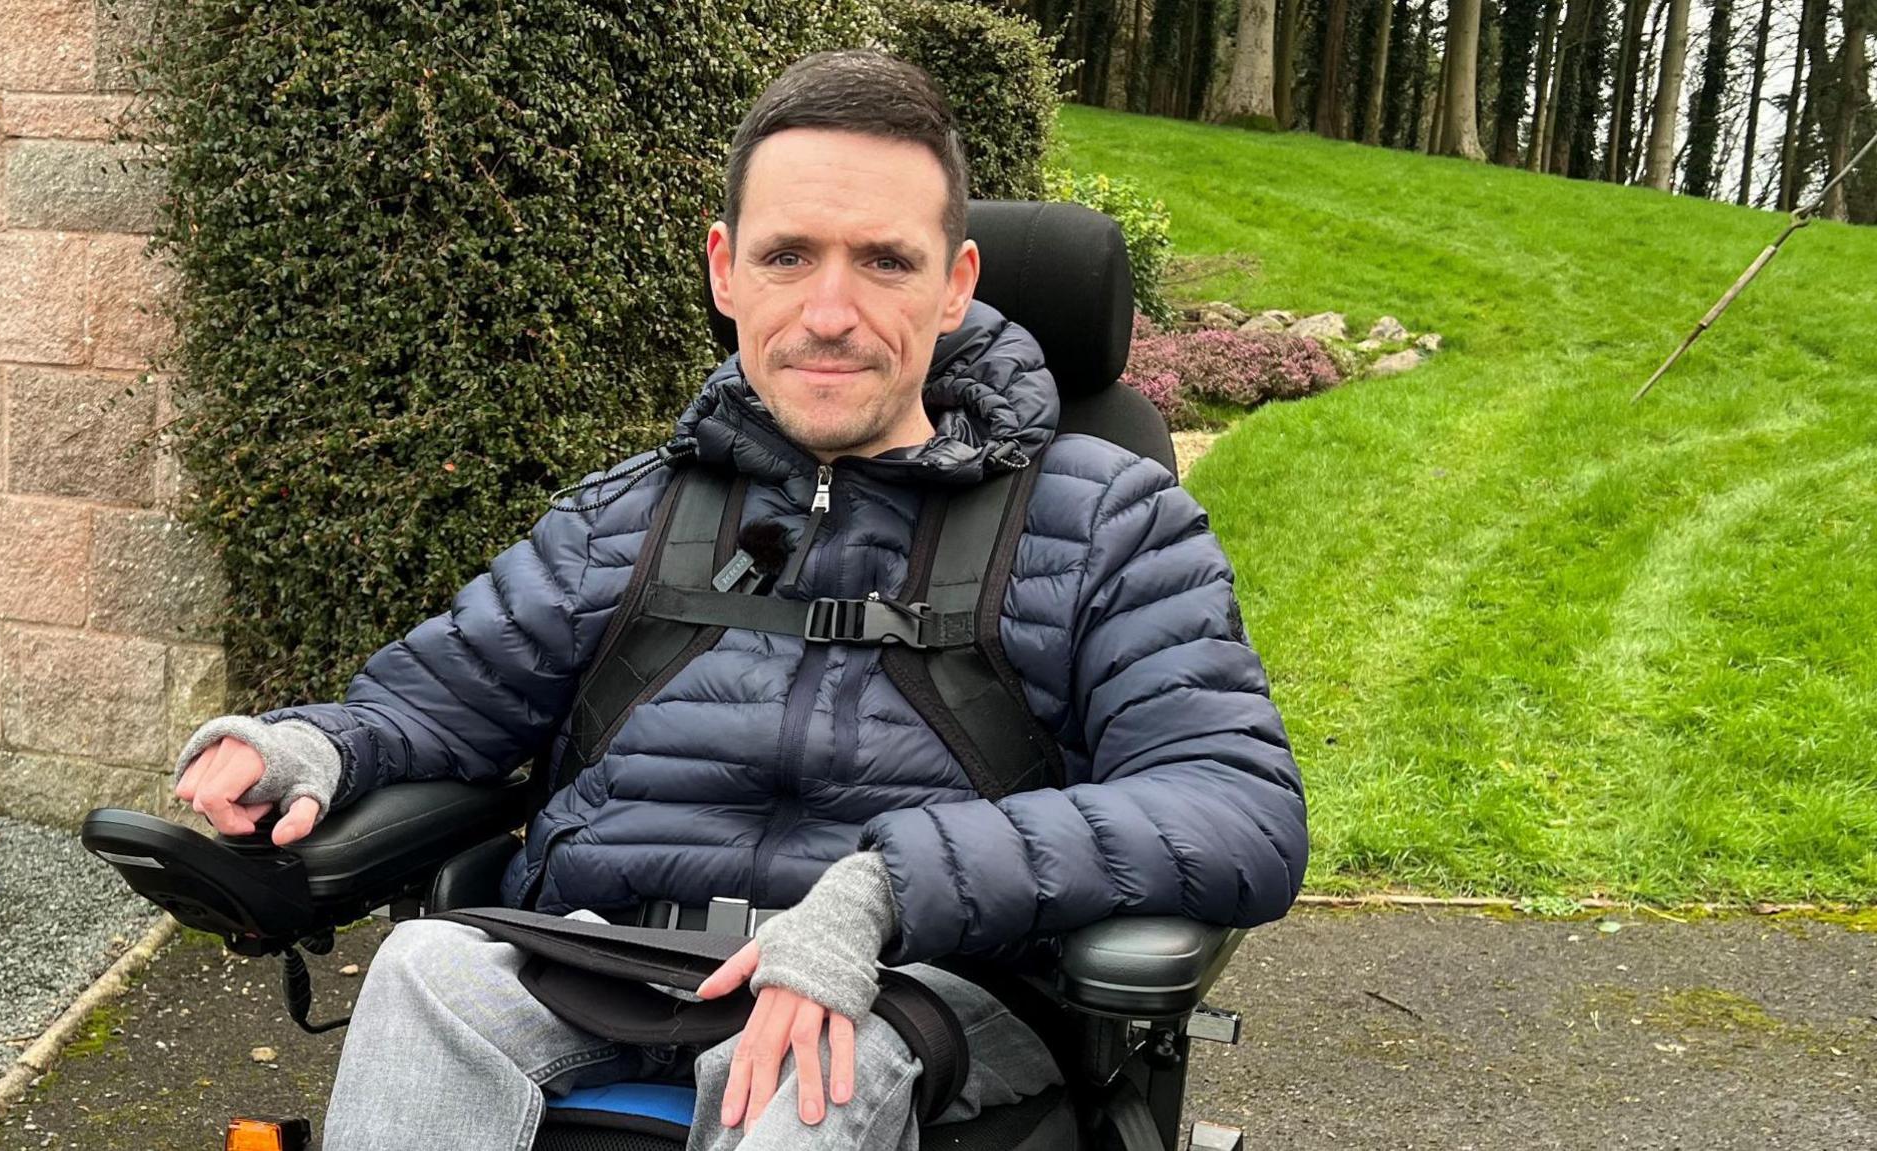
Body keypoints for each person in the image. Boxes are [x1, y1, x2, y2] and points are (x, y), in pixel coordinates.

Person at [170, 49, 1307, 1151]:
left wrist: (889, 889)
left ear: (955, 283)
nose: (828, 311)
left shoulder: (1109, 522)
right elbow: (433, 706)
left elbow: (1233, 806)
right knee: (424, 970)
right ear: (724, 270)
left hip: (909, 993)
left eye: (884, 262)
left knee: (817, 1066)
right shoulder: (631, 513)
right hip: (607, 961)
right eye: (786, 257)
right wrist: (307, 747)